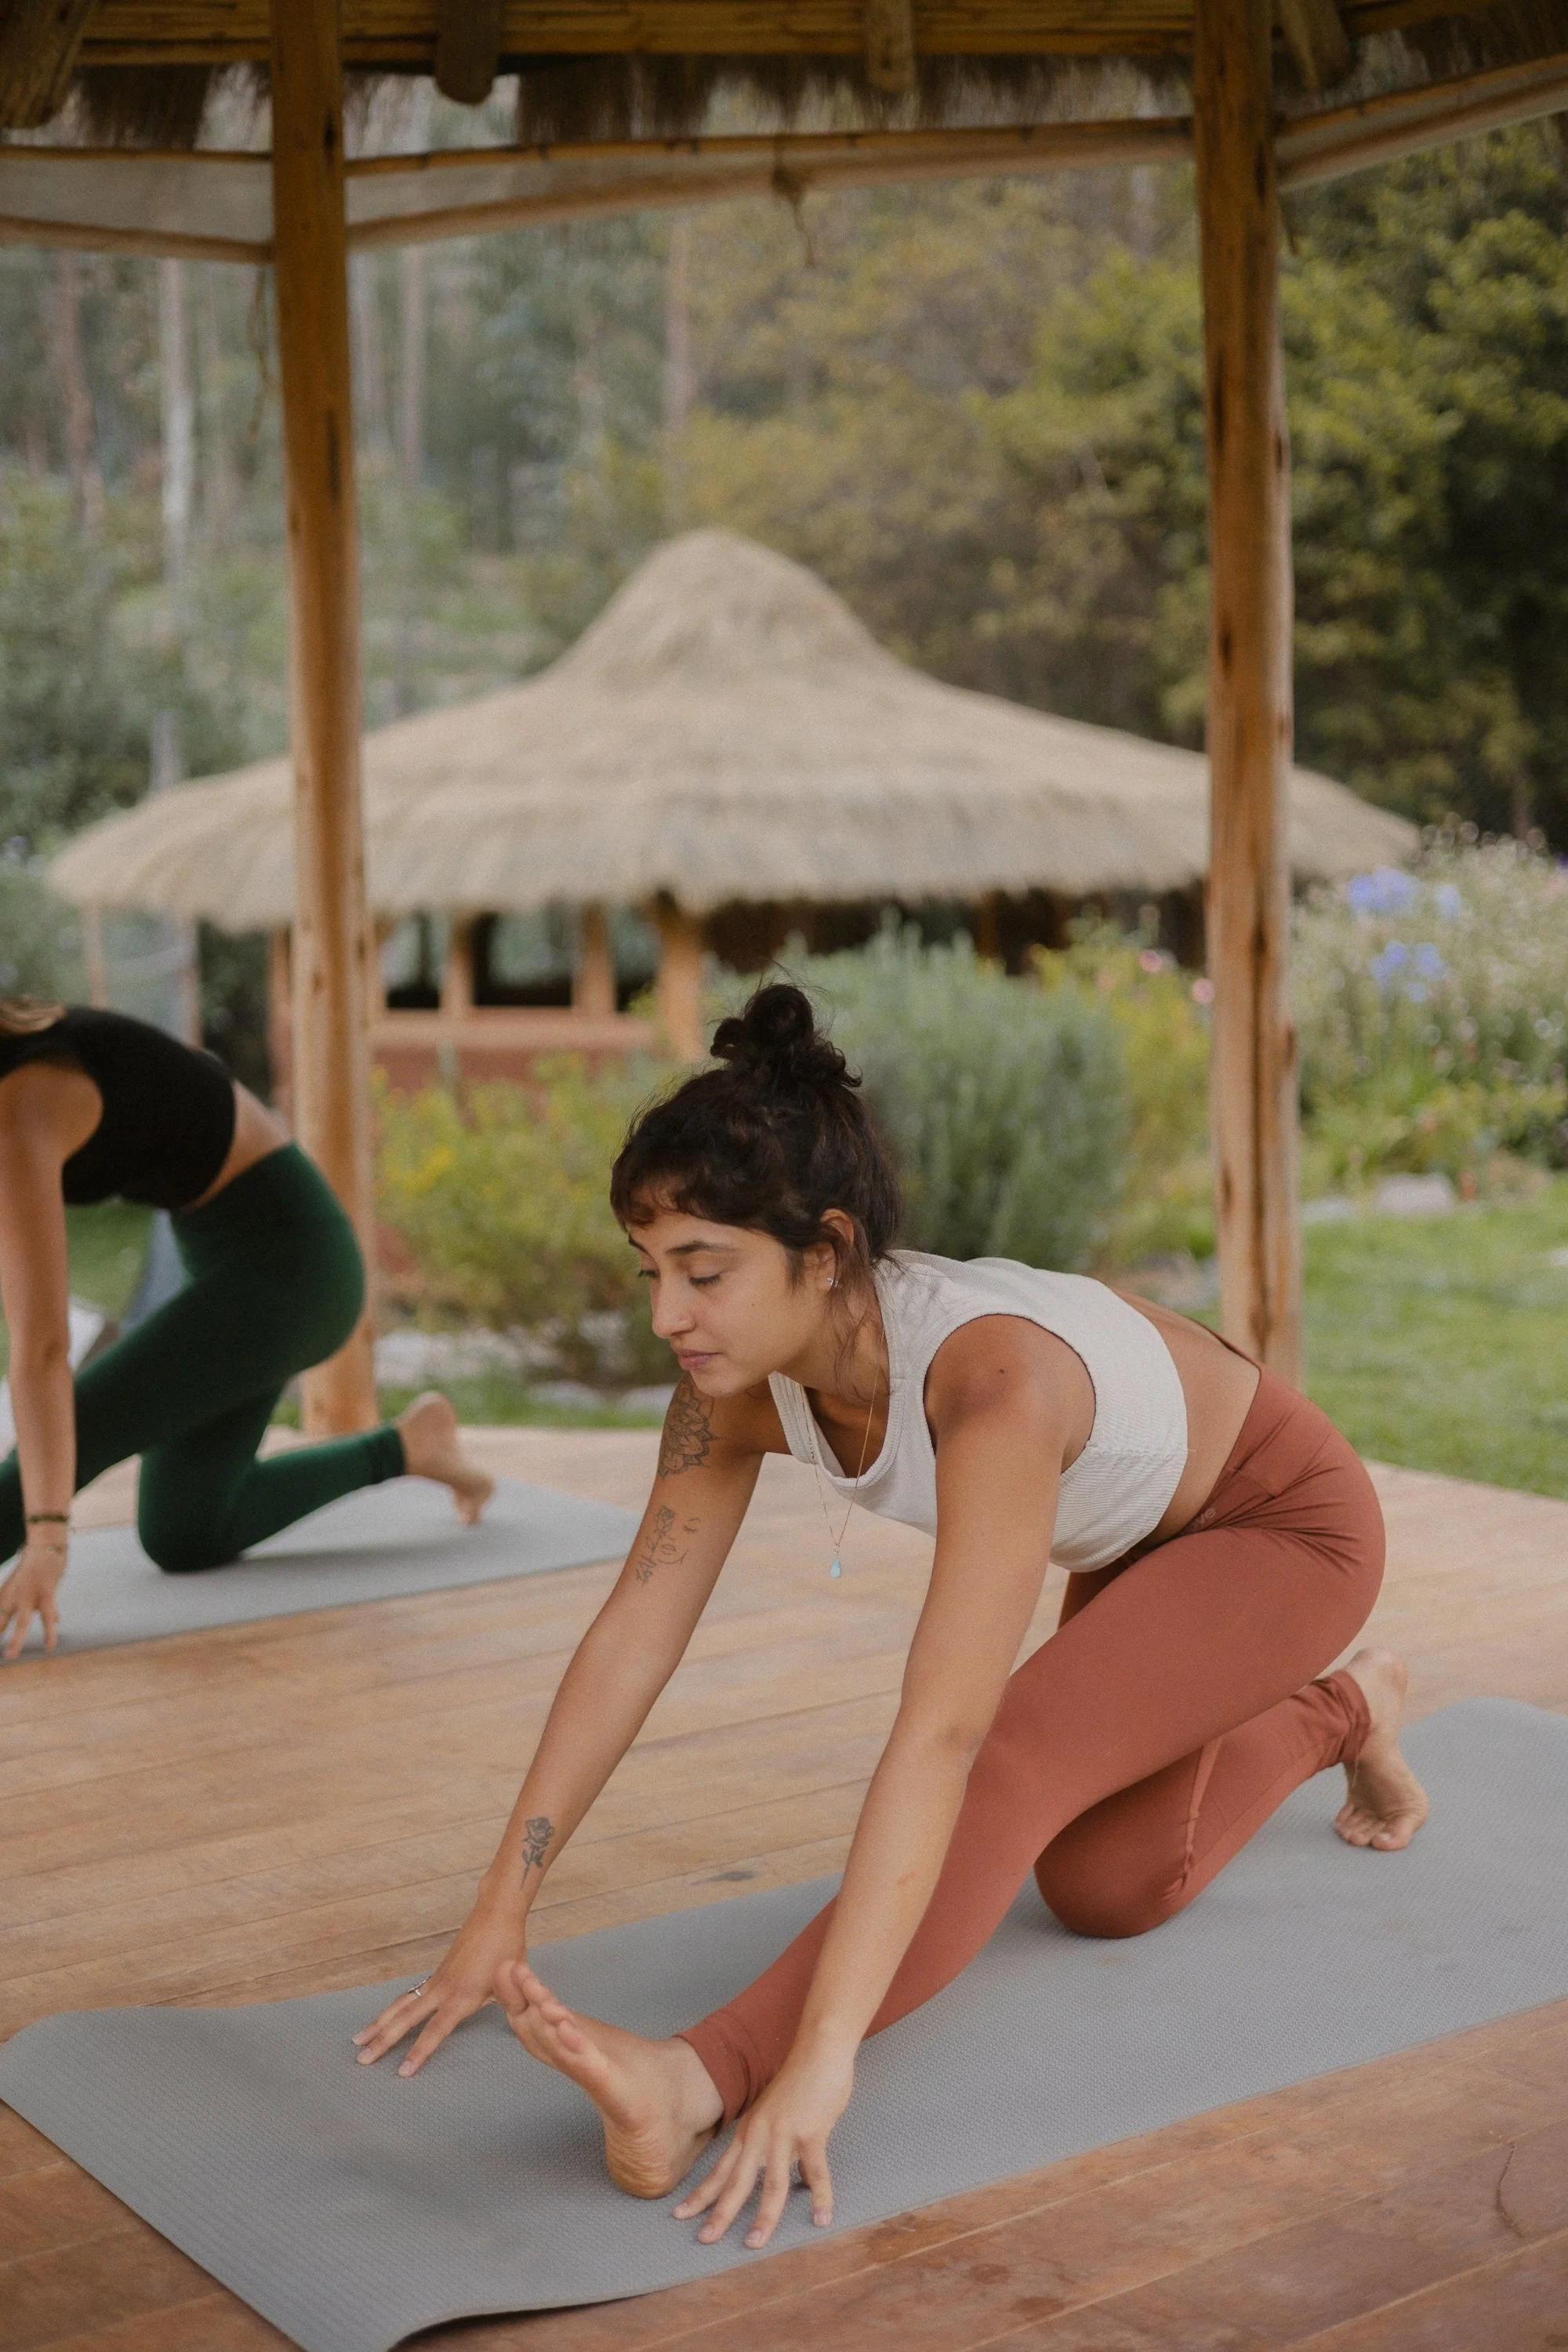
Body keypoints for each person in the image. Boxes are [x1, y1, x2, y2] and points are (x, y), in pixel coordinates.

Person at [354, 982, 1428, 2251]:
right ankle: (1344, 1708)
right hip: (1134, 1539)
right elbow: (633, 1635)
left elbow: (947, 1737)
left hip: (1281, 1529)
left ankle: (689, 2079)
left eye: (703, 1272)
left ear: (826, 1250)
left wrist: (814, 2059)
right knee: (1106, 1891)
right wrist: (501, 1907)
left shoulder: (992, 1387)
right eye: (650, 1271)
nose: (666, 1316)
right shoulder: (730, 1390)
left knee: (1016, 1761)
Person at [0, 997, 493, 1660]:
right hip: (229, 1263)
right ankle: (409, 1446)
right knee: (186, 1530)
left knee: (69, 1436)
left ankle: (406, 1447)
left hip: (292, 1268)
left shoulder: (19, 1103)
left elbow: (41, 1350)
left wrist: (47, 1539)